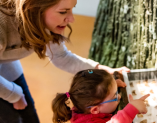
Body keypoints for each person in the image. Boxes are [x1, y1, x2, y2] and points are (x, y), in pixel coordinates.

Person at [0, 0, 130, 122]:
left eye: (72, 9)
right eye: (63, 12)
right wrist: (14, 94)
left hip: (6, 64)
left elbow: (61, 56)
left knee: (28, 112)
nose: (71, 19)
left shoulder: (44, 22)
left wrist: (103, 70)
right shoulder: (3, 24)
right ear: (34, 9)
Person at [52, 69, 150, 123]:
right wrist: (131, 110)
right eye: (114, 96)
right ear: (95, 110)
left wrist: (112, 86)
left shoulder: (82, 103)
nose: (119, 97)